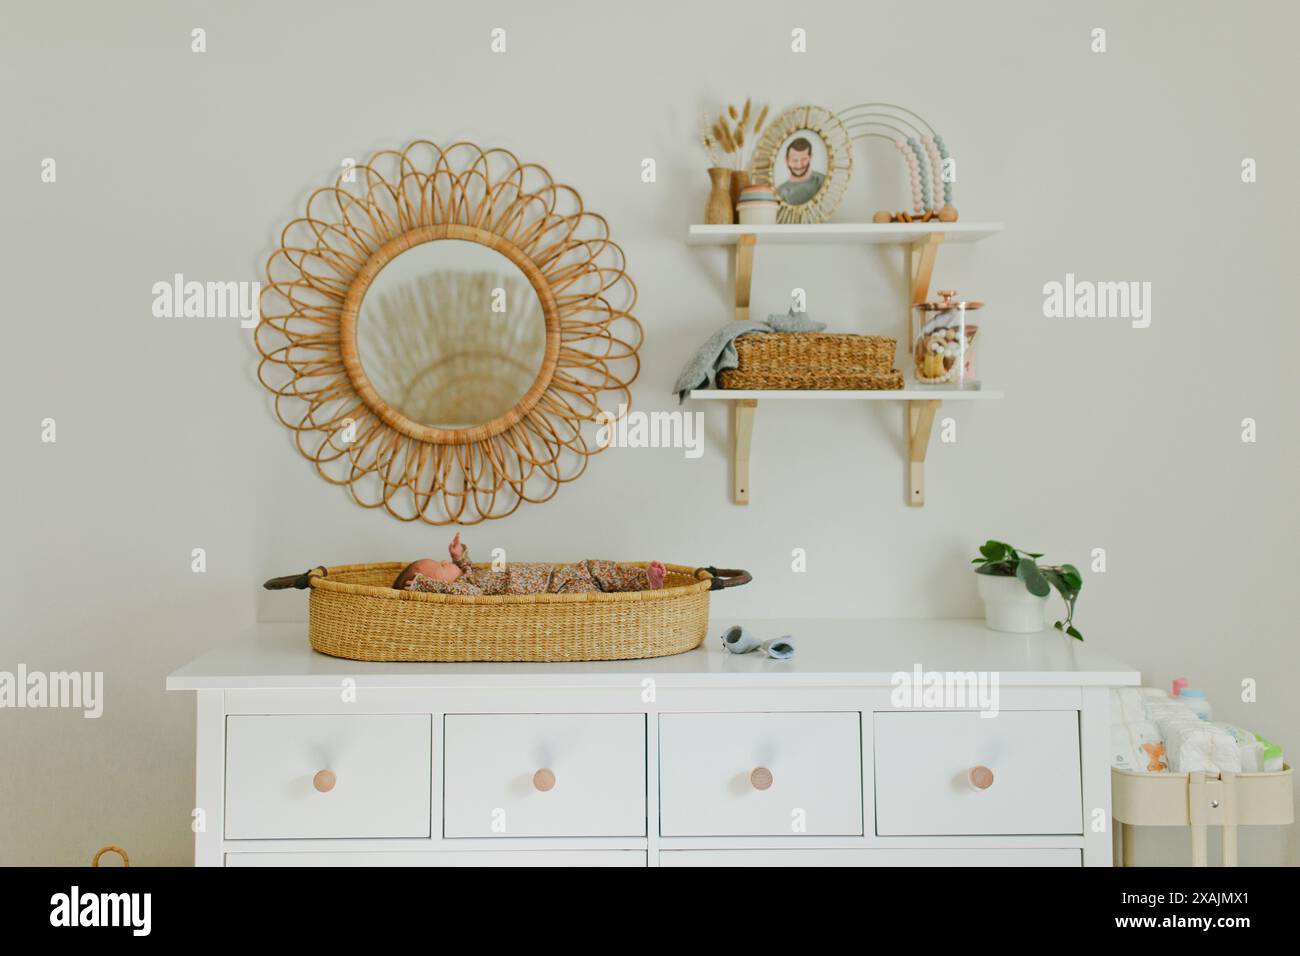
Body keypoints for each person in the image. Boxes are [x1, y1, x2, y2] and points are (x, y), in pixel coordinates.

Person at [776, 137, 824, 205]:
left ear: (810, 157)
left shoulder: (822, 181)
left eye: (804, 159)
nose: (799, 165)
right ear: (786, 160)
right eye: (794, 160)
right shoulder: (779, 192)